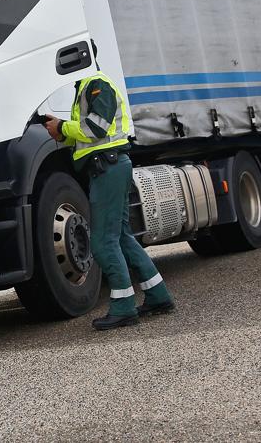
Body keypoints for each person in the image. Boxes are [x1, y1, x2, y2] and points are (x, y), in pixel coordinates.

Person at [44, 66, 176, 330]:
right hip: (110, 166)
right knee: (123, 238)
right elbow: (88, 136)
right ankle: (158, 296)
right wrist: (62, 132)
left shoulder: (96, 83)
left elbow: (97, 129)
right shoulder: (85, 86)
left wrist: (63, 127)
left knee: (103, 242)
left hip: (107, 168)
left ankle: (124, 307)